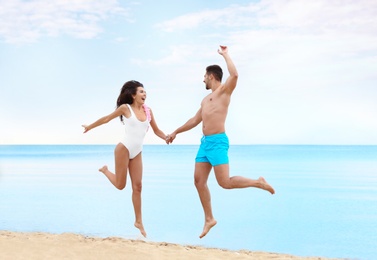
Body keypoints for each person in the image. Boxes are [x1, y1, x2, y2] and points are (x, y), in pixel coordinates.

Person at [167, 46, 275, 239]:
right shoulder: (205, 100)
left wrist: (225, 54)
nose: (202, 80)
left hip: (218, 142)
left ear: (211, 76)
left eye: (204, 76)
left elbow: (235, 75)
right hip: (205, 144)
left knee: (224, 182)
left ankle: (258, 183)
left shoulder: (224, 92)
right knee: (198, 181)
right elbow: (194, 120)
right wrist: (176, 131)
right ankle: (209, 218)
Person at [82, 80, 167, 238]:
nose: (144, 94)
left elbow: (157, 130)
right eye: (141, 91)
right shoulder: (125, 109)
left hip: (138, 151)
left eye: (145, 91)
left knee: (138, 186)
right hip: (124, 149)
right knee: (121, 185)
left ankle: (138, 221)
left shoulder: (148, 111)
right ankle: (106, 170)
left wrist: (166, 137)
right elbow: (107, 119)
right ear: (133, 95)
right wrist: (90, 126)